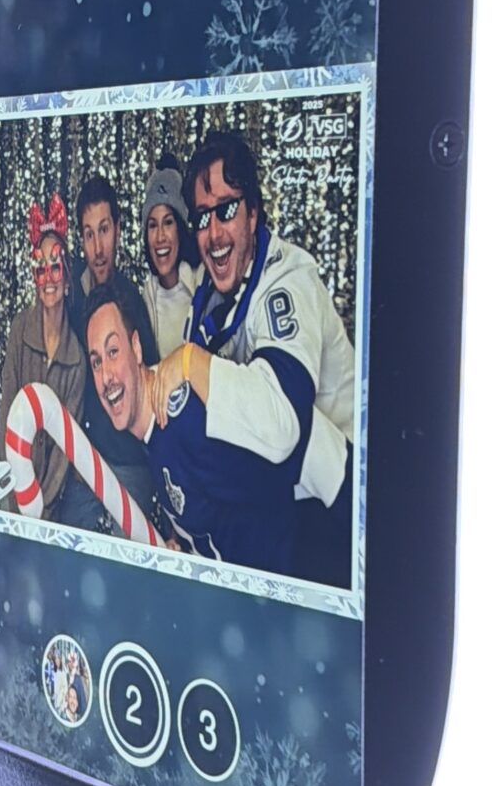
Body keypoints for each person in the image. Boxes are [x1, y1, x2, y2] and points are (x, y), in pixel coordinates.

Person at [146, 127, 355, 586]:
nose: (214, 233)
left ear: (254, 215)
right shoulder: (208, 289)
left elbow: (282, 424)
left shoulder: (288, 281)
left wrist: (188, 361)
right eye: (203, 217)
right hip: (275, 496)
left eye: (227, 211)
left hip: (342, 507)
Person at [85, 278, 309, 572]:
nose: (105, 377)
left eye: (113, 352)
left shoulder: (184, 420)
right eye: (96, 362)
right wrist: (186, 547)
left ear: (136, 348)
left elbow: (269, 509)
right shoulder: (152, 432)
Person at [0, 196, 101, 529]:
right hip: (13, 495)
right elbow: (7, 414)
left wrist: (42, 510)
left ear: (68, 278)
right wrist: (12, 495)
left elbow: (64, 453)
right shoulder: (19, 331)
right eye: (40, 269)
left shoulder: (77, 359)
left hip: (49, 511)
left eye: (55, 267)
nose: (48, 278)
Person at [69, 173, 158, 527]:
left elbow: (150, 375)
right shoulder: (69, 296)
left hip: (128, 464)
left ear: (118, 229)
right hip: (84, 466)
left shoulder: (130, 299)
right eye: (89, 234)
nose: (98, 248)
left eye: (104, 229)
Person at [140, 155, 200, 357]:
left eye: (168, 223)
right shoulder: (146, 298)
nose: (160, 237)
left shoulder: (201, 282)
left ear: (180, 228)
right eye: (152, 225)